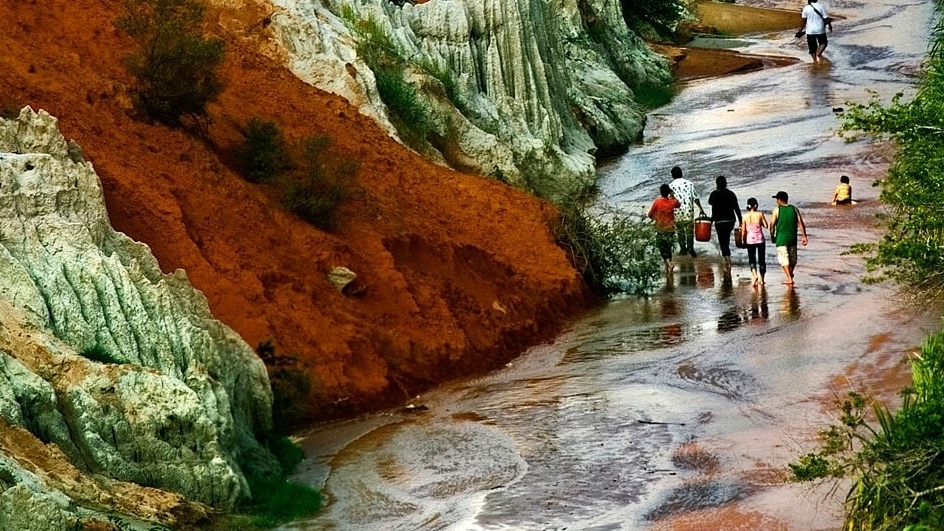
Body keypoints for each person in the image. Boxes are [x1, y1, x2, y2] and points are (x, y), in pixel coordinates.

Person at [769, 191, 808, 285]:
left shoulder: (776, 210)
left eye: (776, 199)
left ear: (779, 200)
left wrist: (772, 236)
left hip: (781, 239)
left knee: (784, 259)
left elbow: (772, 225)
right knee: (793, 259)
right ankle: (790, 275)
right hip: (792, 238)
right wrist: (804, 236)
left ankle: (789, 278)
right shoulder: (794, 209)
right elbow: (800, 223)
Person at [668, 166, 706, 258]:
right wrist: (701, 209)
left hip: (677, 213)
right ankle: (691, 248)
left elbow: (669, 201)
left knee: (680, 232)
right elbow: (695, 198)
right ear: (682, 173)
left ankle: (683, 250)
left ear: (672, 175)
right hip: (688, 212)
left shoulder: (670, 186)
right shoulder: (689, 184)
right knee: (689, 232)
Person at [707, 175, 742, 271]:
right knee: (726, 239)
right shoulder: (731, 194)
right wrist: (741, 221)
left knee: (723, 241)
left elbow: (710, 203)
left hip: (719, 221)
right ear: (726, 183)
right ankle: (727, 259)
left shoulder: (714, 194)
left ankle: (727, 261)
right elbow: (736, 208)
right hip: (730, 220)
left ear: (716, 184)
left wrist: (711, 220)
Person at [648, 183, 681, 274]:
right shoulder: (672, 202)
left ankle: (669, 264)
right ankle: (668, 269)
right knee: (668, 247)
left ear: (661, 192)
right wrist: (673, 195)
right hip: (670, 229)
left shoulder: (657, 202)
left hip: (660, 228)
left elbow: (650, 215)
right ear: (668, 192)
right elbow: (678, 204)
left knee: (662, 248)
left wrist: (656, 219)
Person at [740, 197, 768, 287]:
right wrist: (761, 222)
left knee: (752, 259)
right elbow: (766, 225)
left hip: (750, 239)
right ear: (755, 205)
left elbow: (743, 231)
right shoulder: (760, 214)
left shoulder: (744, 216)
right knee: (761, 260)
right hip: (760, 239)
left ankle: (754, 275)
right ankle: (762, 280)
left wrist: (742, 240)